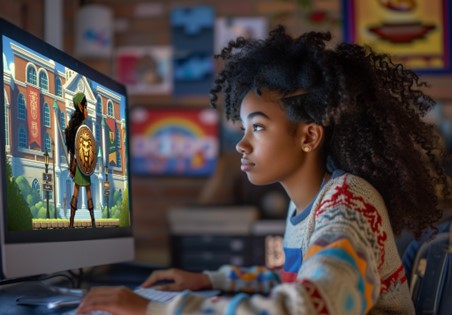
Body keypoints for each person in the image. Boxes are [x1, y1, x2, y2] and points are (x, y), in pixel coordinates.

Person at [76, 26, 450, 314]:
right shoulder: (311, 200)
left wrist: (154, 307)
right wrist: (210, 279)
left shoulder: (347, 206)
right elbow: (294, 278)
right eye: (243, 129)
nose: (242, 144)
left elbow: (311, 305)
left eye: (257, 127)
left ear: (308, 136)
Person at [65, 92, 96, 228]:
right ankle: (85, 222)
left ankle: (73, 222)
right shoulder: (79, 129)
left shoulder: (80, 128)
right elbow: (76, 148)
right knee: (82, 192)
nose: (87, 110)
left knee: (78, 192)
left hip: (83, 164)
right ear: (80, 106)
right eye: (86, 106)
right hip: (81, 164)